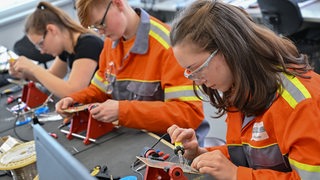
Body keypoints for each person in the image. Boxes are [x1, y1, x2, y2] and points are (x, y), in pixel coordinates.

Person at [167, 0, 320, 179]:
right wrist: (202, 155)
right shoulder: (240, 85)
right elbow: (249, 153)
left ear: (229, 49)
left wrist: (237, 175)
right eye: (189, 72)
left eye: (198, 68)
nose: (197, 80)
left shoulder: (298, 103)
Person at [55, 0, 209, 144]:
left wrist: (122, 111)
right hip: (134, 139)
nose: (101, 33)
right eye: (95, 28)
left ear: (117, 3)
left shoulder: (168, 46)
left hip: (172, 145)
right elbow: (100, 90)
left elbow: (189, 114)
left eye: (101, 24)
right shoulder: (111, 43)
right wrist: (75, 100)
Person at [9, 1, 104, 98]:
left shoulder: (88, 44)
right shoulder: (67, 48)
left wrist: (33, 68)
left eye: (41, 44)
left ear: (51, 30)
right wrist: (25, 73)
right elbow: (52, 76)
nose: (41, 51)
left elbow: (73, 92)